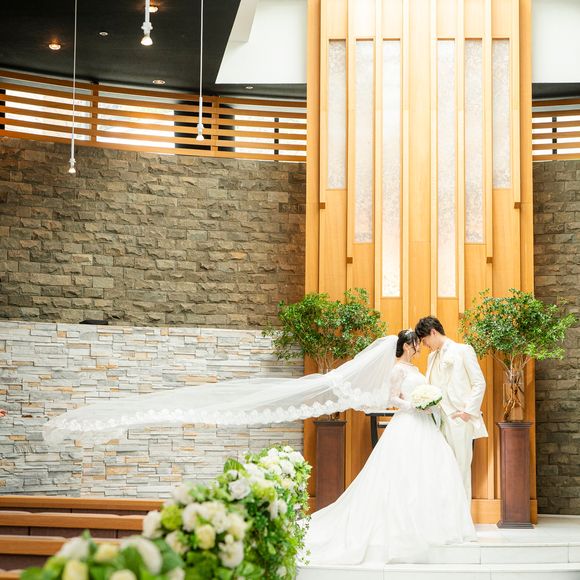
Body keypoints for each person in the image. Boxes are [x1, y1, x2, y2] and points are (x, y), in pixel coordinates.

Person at [304, 330, 476, 565]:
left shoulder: (415, 369)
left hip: (425, 424)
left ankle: (434, 526)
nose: (419, 346)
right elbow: (392, 398)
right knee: (403, 473)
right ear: (406, 346)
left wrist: (429, 404)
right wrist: (414, 406)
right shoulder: (397, 370)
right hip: (408, 422)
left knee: (432, 471)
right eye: (416, 343)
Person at [415, 316, 487, 500]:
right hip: (437, 421)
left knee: (461, 468)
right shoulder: (432, 357)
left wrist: (467, 412)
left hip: (458, 419)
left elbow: (479, 383)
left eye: (424, 340)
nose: (424, 345)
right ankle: (446, 513)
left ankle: (462, 516)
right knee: (442, 469)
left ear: (433, 332)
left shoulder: (463, 350)